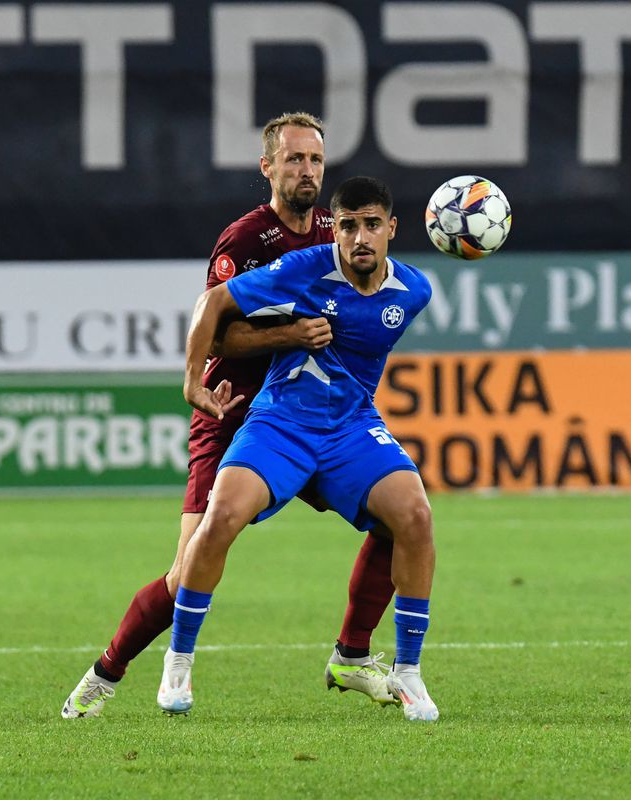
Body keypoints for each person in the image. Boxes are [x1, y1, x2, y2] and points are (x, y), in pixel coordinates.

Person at [62, 113, 398, 719]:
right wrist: (289, 335)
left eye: (315, 160)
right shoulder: (244, 241)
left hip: (305, 416)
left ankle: (353, 655)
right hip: (235, 411)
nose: (306, 171)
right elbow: (214, 334)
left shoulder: (336, 228)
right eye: (293, 160)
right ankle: (105, 673)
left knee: (398, 523)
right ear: (267, 168)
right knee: (185, 571)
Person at [159, 176, 440, 722]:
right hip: (281, 422)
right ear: (336, 229)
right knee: (221, 517)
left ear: (391, 230)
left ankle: (407, 672)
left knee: (414, 515)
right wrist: (192, 379)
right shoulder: (304, 269)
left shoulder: (414, 292)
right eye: (350, 226)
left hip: (350, 427)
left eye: (373, 225)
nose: (361, 237)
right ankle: (179, 660)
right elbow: (214, 302)